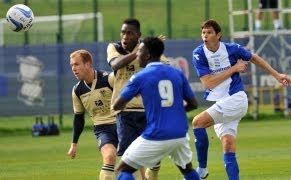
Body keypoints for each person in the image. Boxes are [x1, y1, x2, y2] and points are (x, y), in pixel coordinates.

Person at [191, 19, 291, 180]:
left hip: (236, 99)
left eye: (209, 32)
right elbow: (208, 82)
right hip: (222, 102)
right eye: (203, 32)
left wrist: (277, 75)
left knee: (197, 122)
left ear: (218, 35)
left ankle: (201, 170)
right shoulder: (199, 53)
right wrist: (234, 68)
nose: (205, 35)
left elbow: (254, 57)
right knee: (228, 145)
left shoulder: (231, 49)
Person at [112, 36, 200, 180]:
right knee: (188, 169)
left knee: (122, 170)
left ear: (147, 55)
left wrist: (135, 94)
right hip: (180, 133)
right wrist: (172, 112)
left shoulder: (139, 77)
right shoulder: (177, 73)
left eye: (139, 51)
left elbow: (117, 105)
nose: (137, 55)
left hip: (157, 134)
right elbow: (193, 104)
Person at [106, 18, 168, 180]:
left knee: (153, 153)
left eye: (130, 33)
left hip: (148, 110)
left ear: (138, 35)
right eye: (123, 32)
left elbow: (165, 68)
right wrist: (140, 51)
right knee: (129, 157)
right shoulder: (114, 48)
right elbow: (115, 65)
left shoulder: (149, 52)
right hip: (124, 112)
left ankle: (153, 170)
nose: (125, 36)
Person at [67, 49, 118, 180]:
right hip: (103, 129)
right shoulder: (77, 90)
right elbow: (78, 117)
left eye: (76, 64)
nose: (73, 68)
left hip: (122, 124)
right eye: (72, 65)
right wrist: (74, 144)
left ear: (88, 64)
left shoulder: (109, 79)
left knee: (134, 164)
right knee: (109, 157)